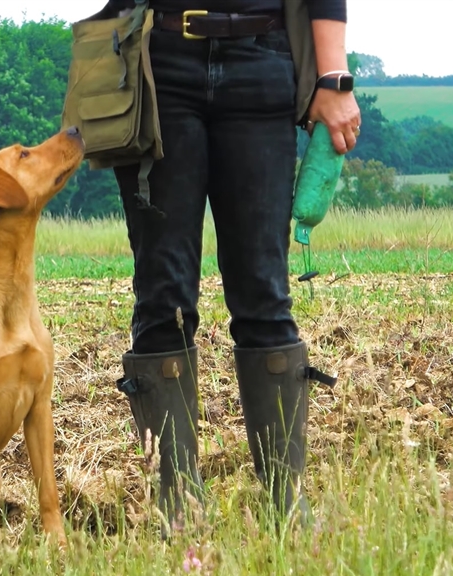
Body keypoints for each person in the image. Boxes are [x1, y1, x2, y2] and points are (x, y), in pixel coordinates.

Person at [105, 0, 361, 533]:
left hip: (261, 60)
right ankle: (179, 503)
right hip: (159, 63)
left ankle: (286, 504)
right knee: (163, 295)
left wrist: (334, 74)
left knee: (264, 292)